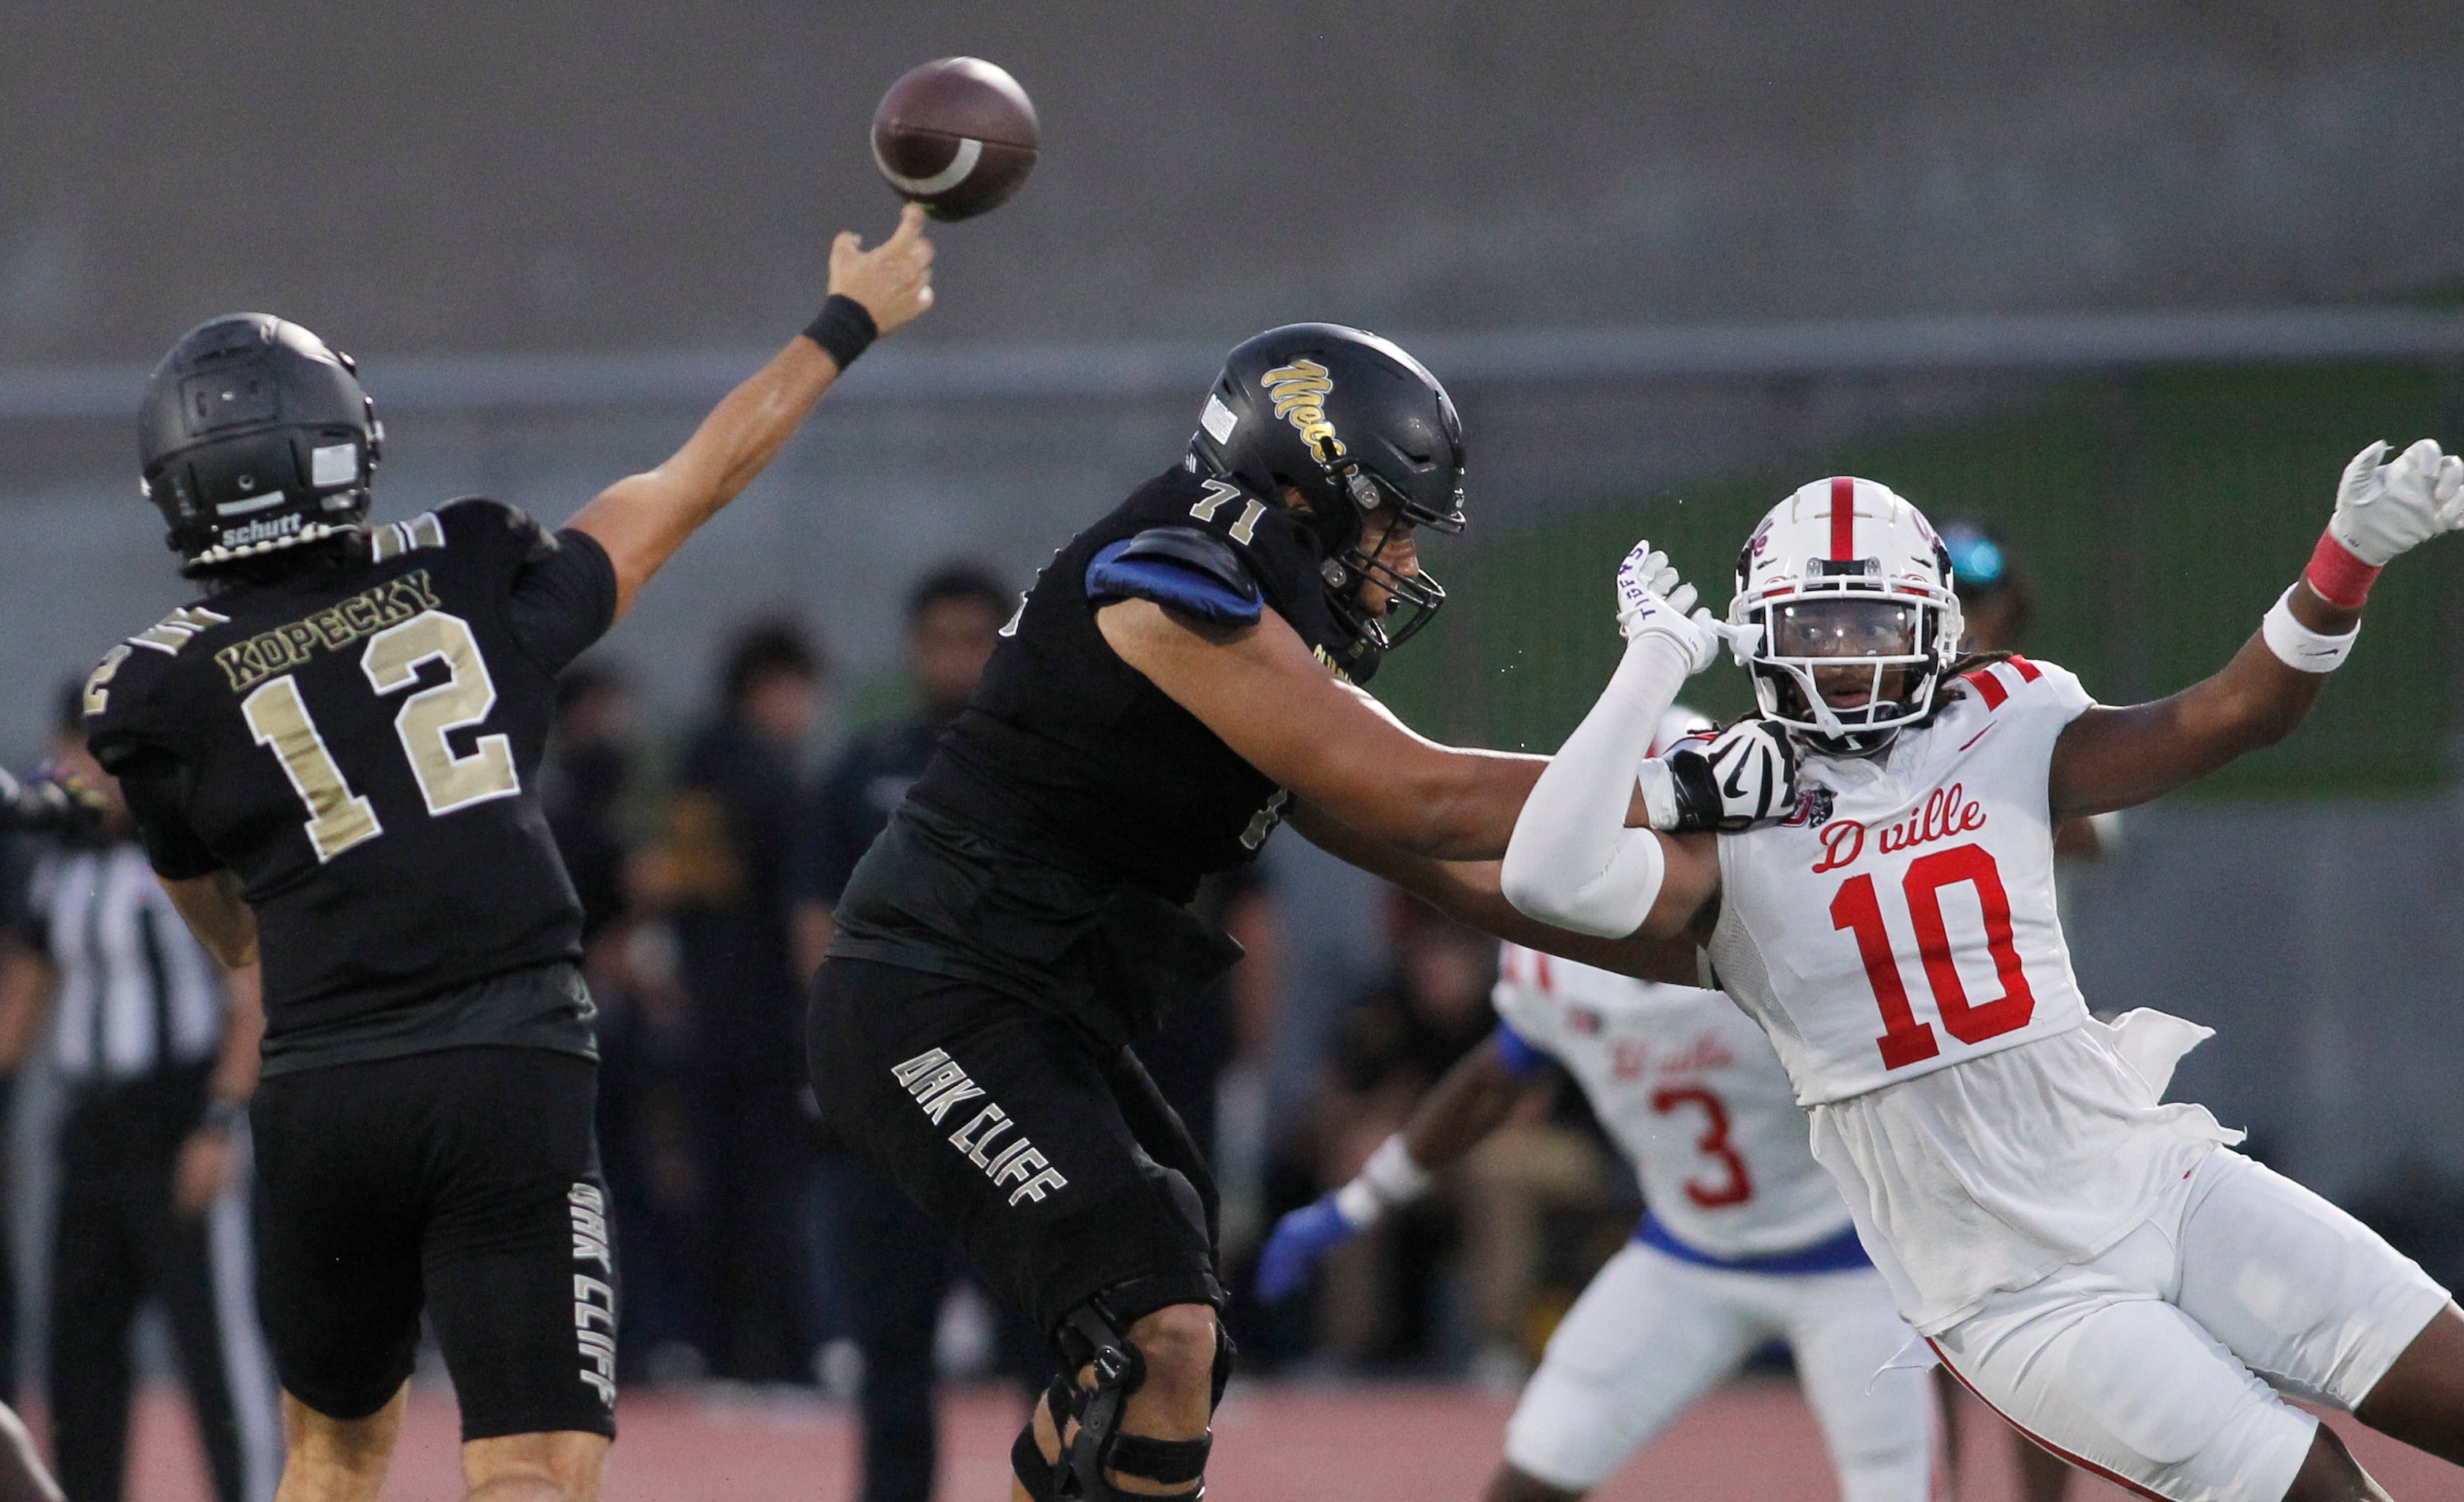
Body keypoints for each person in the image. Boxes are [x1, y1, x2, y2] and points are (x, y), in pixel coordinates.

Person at [805, 323, 1747, 1502]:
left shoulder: (1251, 620)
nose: (1402, 563)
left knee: (1166, 1339)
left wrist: (1720, 955)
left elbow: (1449, 860)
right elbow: (1425, 794)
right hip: (926, 999)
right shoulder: (1167, 584)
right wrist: (1689, 787)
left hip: (1029, 1009)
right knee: (1154, 1323)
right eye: (1391, 523)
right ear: (1300, 488)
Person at [80, 206, 935, 1502]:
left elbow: (219, 909)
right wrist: (847, 319)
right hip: (504, 1070)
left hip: (322, 1093)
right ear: (339, 445)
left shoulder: (152, 689)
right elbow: (689, 481)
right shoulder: (463, 570)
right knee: (531, 1466)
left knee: (327, 1457)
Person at [1500, 449, 2464, 1502]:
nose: (1844, 662)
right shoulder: (1734, 804)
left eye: (1871, 627)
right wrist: (1651, 673)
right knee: (2320, 1491)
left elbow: (2235, 713)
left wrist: (2346, 559)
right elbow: (1546, 873)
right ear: (1759, 638)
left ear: (1935, 631)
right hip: (2006, 1283)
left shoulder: (2006, 716)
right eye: (1813, 630)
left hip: (2156, 1181)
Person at [1260, 711, 1935, 1502]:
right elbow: (1490, 1081)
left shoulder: (1788, 931)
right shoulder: (1555, 964)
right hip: (1689, 1256)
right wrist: (1361, 1202)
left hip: (1848, 1263)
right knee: (1529, 1479)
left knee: (1894, 1489)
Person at [791, 561, 1043, 1501]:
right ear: (915, 649)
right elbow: (813, 925)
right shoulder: (864, 769)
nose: (958, 662)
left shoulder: (1048, 769)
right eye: (942, 642)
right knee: (892, 1349)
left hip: (1020, 1095)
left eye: (976, 641)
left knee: (1048, 1345)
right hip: (895, 1098)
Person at [0, 682, 278, 1502]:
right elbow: (31, 981)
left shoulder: (187, 850)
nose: (76, 776)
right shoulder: (58, 860)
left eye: (91, 759)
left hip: (179, 1110)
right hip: (90, 1120)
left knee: (214, 1341)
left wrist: (221, 1122)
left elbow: (250, 988)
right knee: (78, 1345)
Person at [653, 620, 825, 1382]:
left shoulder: (698, 767)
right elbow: (799, 908)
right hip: (762, 1010)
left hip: (706, 1005)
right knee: (771, 1189)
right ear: (773, 687)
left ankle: (720, 1344)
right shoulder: (777, 779)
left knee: (718, 1186)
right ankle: (781, 1352)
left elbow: (685, 886)